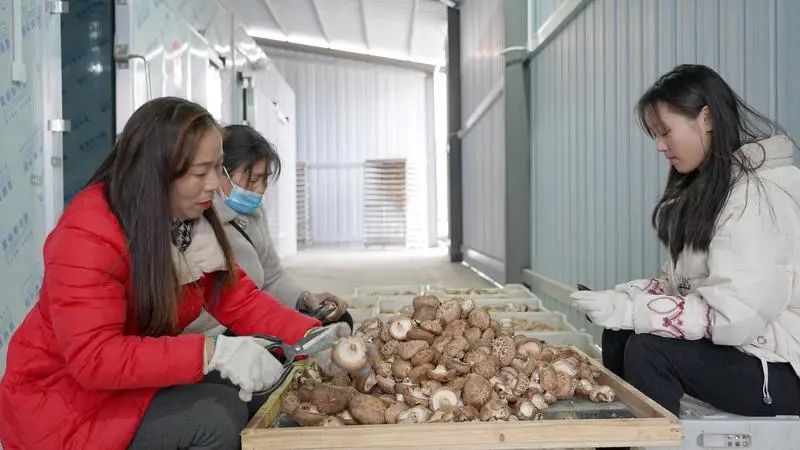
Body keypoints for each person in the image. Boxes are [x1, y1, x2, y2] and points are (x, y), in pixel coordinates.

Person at [0, 97, 349, 450]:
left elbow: (238, 299)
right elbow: (94, 358)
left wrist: (314, 338)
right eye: (200, 173)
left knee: (263, 387)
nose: (213, 184)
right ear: (156, 172)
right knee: (218, 417)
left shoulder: (186, 223)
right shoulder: (89, 234)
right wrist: (210, 352)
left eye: (218, 168)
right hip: (64, 405)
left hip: (126, 384)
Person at [570, 64, 800, 417]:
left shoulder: (758, 195)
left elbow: (735, 316)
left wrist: (635, 311)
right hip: (748, 351)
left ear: (706, 118)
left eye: (665, 132)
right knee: (619, 334)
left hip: (780, 366)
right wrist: (624, 298)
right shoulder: (715, 188)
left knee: (648, 350)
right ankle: (625, 436)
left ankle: (655, 439)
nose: (660, 146)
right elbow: (682, 286)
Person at [182, 124, 350, 339]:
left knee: (336, 321)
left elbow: (271, 278)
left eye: (264, 179)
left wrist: (304, 299)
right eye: (253, 180)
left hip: (252, 311)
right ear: (221, 172)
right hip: (222, 328)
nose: (261, 189)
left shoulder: (254, 214)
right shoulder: (197, 222)